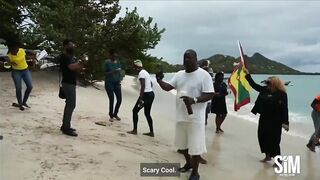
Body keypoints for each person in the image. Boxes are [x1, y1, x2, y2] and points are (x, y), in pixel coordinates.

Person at [156, 49, 214, 180]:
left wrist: (194, 100)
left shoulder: (204, 75)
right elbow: (168, 87)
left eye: (189, 58)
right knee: (183, 145)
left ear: (195, 59)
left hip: (196, 117)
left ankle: (195, 172)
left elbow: (210, 94)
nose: (186, 60)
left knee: (196, 146)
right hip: (181, 115)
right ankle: (188, 164)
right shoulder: (179, 74)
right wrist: (159, 81)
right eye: (185, 58)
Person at [244, 68, 289, 165]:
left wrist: (285, 122)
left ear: (275, 84)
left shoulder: (282, 94)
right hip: (264, 118)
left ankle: (278, 160)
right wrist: (248, 75)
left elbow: (285, 109)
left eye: (269, 83)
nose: (267, 84)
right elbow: (254, 85)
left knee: (274, 140)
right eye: (267, 83)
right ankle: (267, 156)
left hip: (275, 121)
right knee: (262, 137)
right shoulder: (264, 90)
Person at [59, 39, 84, 137]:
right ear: (66, 46)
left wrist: (81, 64)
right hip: (68, 83)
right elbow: (71, 67)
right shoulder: (64, 56)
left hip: (70, 83)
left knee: (69, 105)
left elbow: (76, 69)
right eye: (71, 45)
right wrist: (80, 63)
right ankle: (66, 127)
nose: (73, 46)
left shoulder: (69, 57)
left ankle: (65, 125)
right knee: (71, 105)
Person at [127, 60, 155, 137]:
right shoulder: (145, 72)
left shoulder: (141, 73)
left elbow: (143, 86)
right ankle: (151, 132)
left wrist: (141, 99)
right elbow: (151, 84)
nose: (133, 68)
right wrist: (149, 90)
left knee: (135, 111)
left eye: (134, 66)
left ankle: (135, 130)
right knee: (147, 113)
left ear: (137, 66)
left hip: (145, 95)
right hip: (151, 94)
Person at [7, 41, 33, 111]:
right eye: (16, 49)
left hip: (25, 70)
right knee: (18, 88)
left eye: (18, 49)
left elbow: (25, 57)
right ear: (11, 49)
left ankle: (24, 102)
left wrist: (32, 58)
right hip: (16, 72)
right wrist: (9, 62)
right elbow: (9, 64)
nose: (17, 51)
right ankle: (20, 104)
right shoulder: (9, 56)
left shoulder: (21, 50)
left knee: (30, 86)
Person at [104, 49, 122, 122]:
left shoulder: (118, 62)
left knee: (119, 99)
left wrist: (120, 80)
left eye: (116, 55)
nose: (115, 57)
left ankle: (115, 113)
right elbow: (105, 73)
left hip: (117, 83)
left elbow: (120, 72)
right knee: (112, 99)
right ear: (110, 55)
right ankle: (111, 115)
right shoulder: (107, 62)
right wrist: (114, 71)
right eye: (114, 55)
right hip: (109, 83)